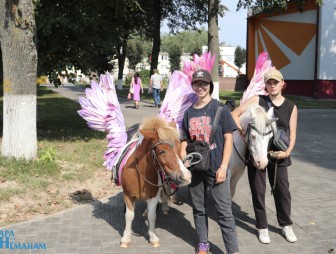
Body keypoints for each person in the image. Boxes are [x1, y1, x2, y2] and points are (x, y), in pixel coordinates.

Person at [231, 69, 298, 244]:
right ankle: (262, 228)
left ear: (282, 83)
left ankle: (286, 225)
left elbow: (293, 135)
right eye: (269, 82)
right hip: (257, 154)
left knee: (282, 191)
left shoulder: (291, 107)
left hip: (278, 155)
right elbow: (234, 114)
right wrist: (243, 131)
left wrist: (287, 152)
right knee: (258, 192)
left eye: (276, 82)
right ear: (265, 85)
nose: (273, 85)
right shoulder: (257, 100)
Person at [180, 69, 239, 254]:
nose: (200, 87)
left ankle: (233, 250)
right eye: (197, 83)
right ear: (193, 87)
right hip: (196, 168)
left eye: (204, 83)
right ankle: (203, 243)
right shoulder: (188, 113)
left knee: (224, 212)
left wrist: (223, 167)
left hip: (216, 168)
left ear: (210, 86)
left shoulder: (220, 109)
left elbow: (229, 139)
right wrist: (184, 162)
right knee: (198, 208)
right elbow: (184, 140)